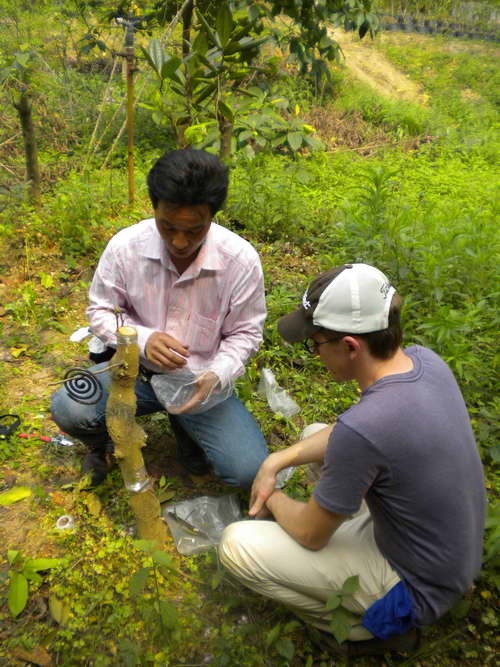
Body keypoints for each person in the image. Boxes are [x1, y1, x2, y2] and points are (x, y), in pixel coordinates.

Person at [219, 263, 485, 657]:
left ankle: (365, 629)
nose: (315, 354)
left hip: (415, 584)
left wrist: (270, 494)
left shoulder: (365, 430)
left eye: (316, 344)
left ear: (350, 346)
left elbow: (310, 534)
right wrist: (276, 460)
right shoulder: (425, 362)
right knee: (313, 435)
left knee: (236, 545)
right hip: (448, 552)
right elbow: (359, 433)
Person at [51, 148, 268, 487]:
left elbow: (246, 333)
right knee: (70, 407)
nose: (179, 241)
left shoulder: (240, 261)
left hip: (199, 381)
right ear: (154, 208)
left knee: (248, 471)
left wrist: (217, 374)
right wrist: (143, 339)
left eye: (194, 230)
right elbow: (100, 310)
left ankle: (187, 430)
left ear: (212, 216)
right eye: (167, 226)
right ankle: (102, 444)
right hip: (136, 373)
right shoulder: (126, 247)